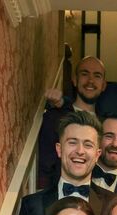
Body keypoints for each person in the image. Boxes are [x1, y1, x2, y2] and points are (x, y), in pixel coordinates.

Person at [11, 110, 110, 215]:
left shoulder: (112, 204)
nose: (80, 150)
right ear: (59, 149)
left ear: (97, 154)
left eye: (88, 144)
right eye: (72, 142)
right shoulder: (32, 205)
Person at [38, 56, 108, 189]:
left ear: (104, 85)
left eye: (97, 76)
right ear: (75, 80)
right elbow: (44, 167)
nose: (91, 81)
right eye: (84, 74)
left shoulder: (107, 123)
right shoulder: (54, 118)